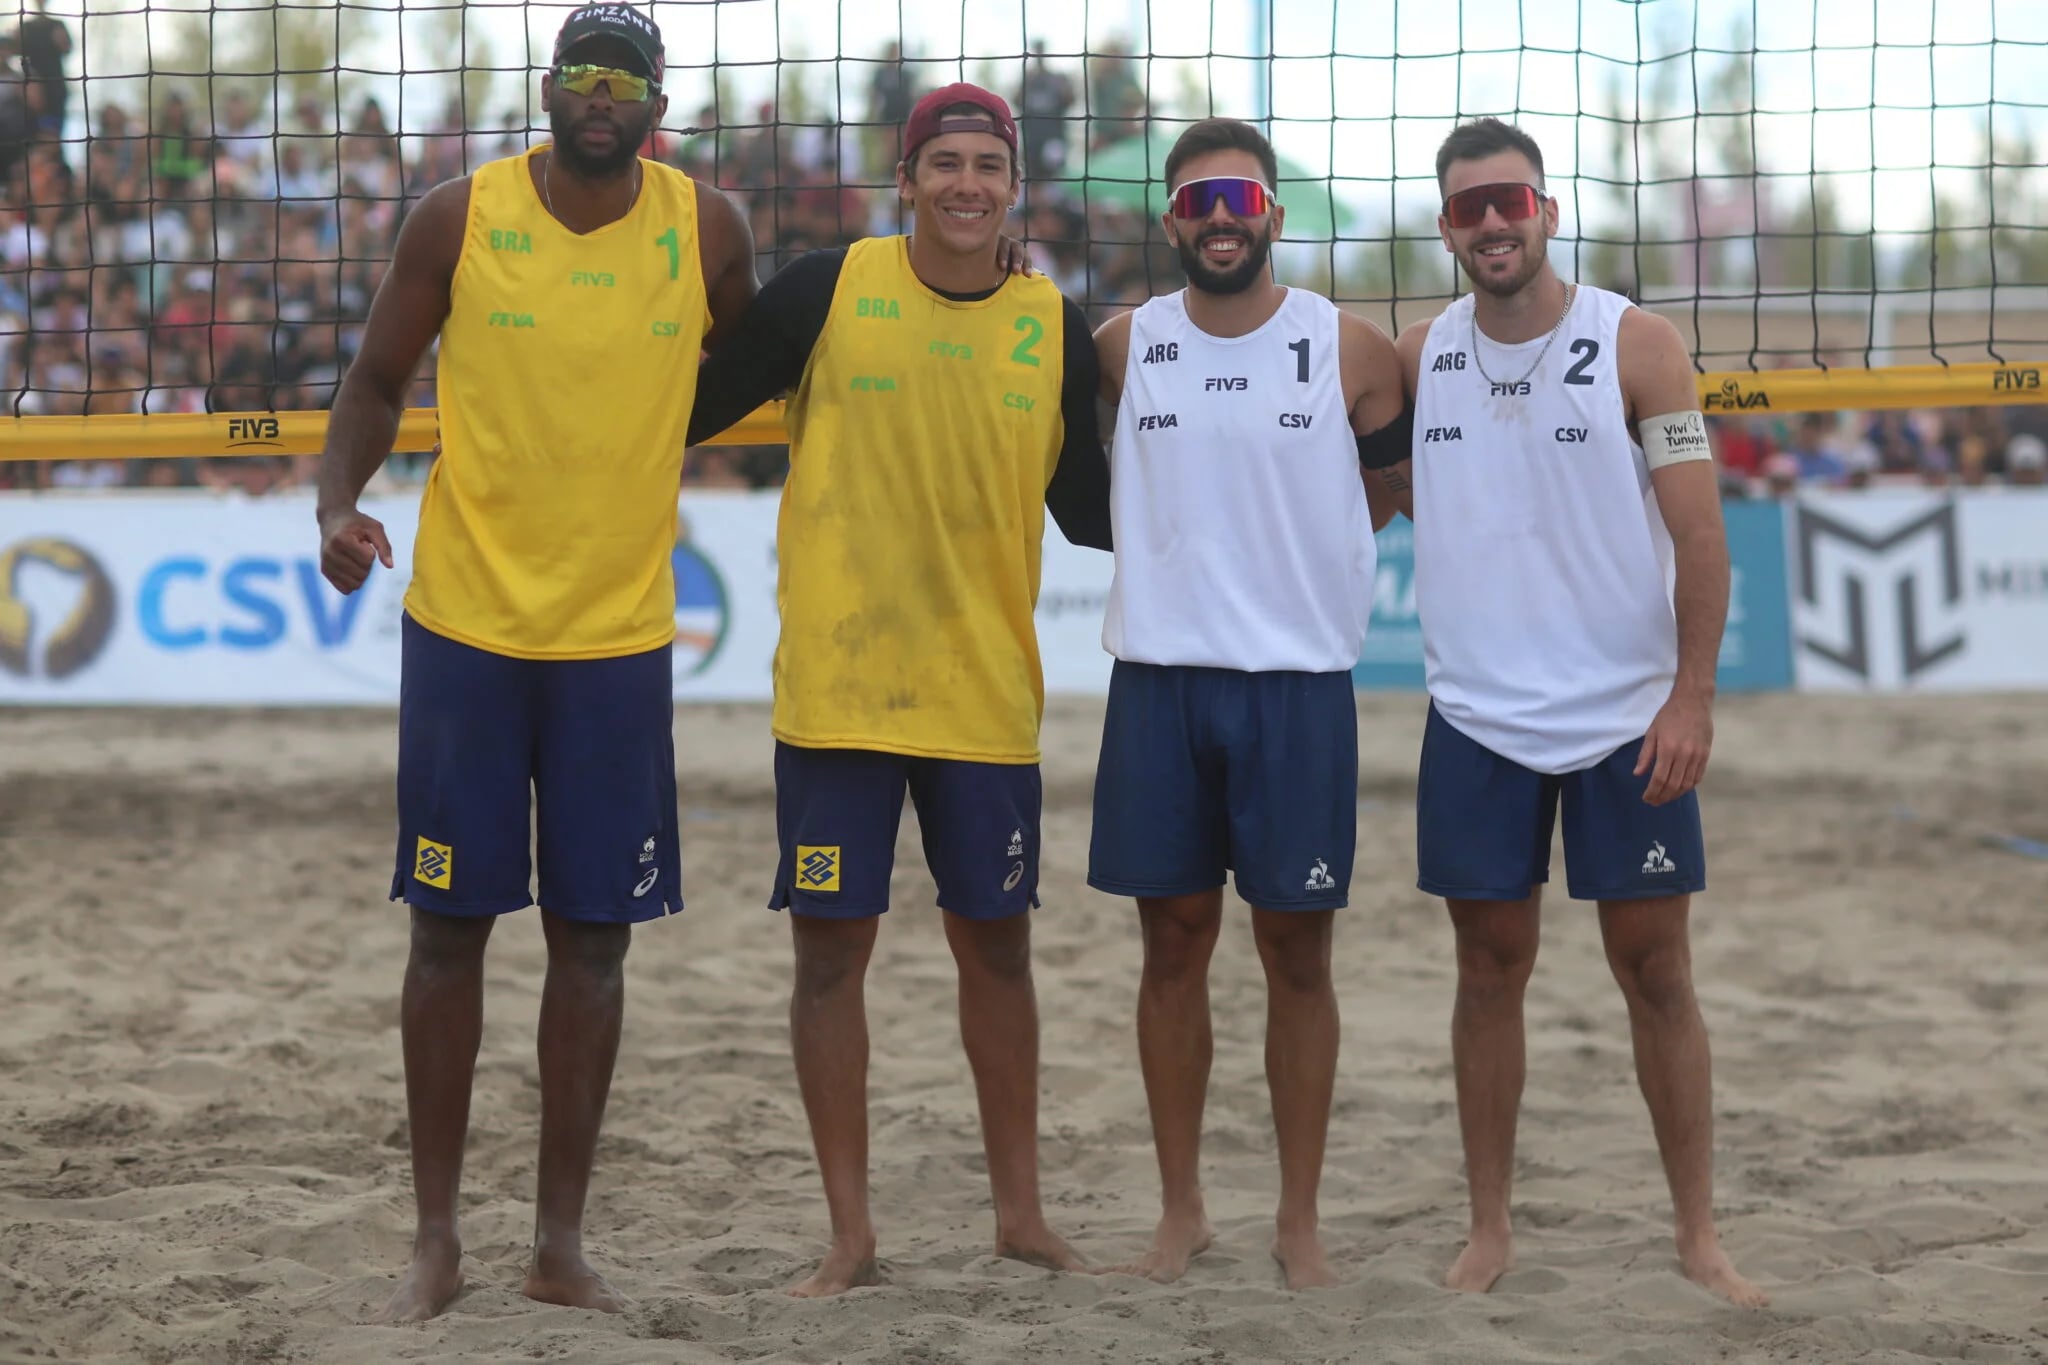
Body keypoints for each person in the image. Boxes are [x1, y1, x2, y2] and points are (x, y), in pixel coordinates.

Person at [312, 3, 758, 1323]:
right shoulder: (458, 215)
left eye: (627, 72)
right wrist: (336, 503)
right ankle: (437, 1239)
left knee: (594, 942)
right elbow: (374, 379)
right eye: (583, 69)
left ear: (658, 99)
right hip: (465, 627)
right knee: (447, 932)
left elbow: (761, 361)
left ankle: (558, 1244)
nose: (603, 90)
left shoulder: (707, 227)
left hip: (618, 639)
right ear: (550, 85)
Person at [683, 82, 1112, 1299]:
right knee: (830, 962)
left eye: (989, 165)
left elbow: (1091, 514)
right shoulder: (828, 289)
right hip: (839, 693)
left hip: (981, 701)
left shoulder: (1054, 324)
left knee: (1000, 957)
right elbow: (686, 403)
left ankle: (1018, 1217)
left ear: (1014, 186)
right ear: (907, 176)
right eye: (946, 164)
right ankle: (850, 1235)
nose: (967, 184)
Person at [1383, 116, 1768, 1307]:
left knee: (1654, 972)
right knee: (1487, 968)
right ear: (1445, 229)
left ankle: (1696, 1234)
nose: (1490, 222)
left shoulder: (1634, 344)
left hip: (1622, 718)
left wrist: (1688, 697)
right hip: (1478, 716)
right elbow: (1355, 484)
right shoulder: (1411, 356)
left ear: (1546, 210)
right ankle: (1488, 1226)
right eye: (1465, 208)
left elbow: (1700, 539)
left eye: (1508, 200)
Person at [1084, 116, 1411, 1290]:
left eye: (1238, 197)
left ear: (1269, 213)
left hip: (1297, 689)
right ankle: (1181, 1212)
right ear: (1169, 221)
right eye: (1195, 202)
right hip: (1159, 683)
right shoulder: (1123, 344)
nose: (1218, 217)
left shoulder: (1351, 346)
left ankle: (1297, 1219)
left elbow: (1394, 487)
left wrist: (1303, 560)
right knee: (1170, 951)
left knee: (1298, 957)